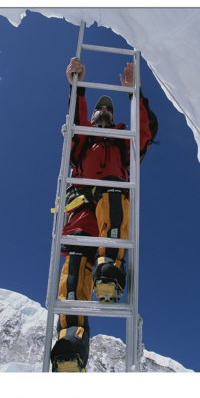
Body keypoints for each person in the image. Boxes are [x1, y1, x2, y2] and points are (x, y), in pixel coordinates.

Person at [50, 57, 158, 372]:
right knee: (73, 273)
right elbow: (76, 121)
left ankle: (109, 268)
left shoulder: (124, 142)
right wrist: (78, 88)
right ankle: (72, 340)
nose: (105, 112)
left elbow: (145, 130)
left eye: (109, 110)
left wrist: (134, 93)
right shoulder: (83, 143)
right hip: (82, 215)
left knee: (112, 197)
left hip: (111, 207)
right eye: (101, 109)